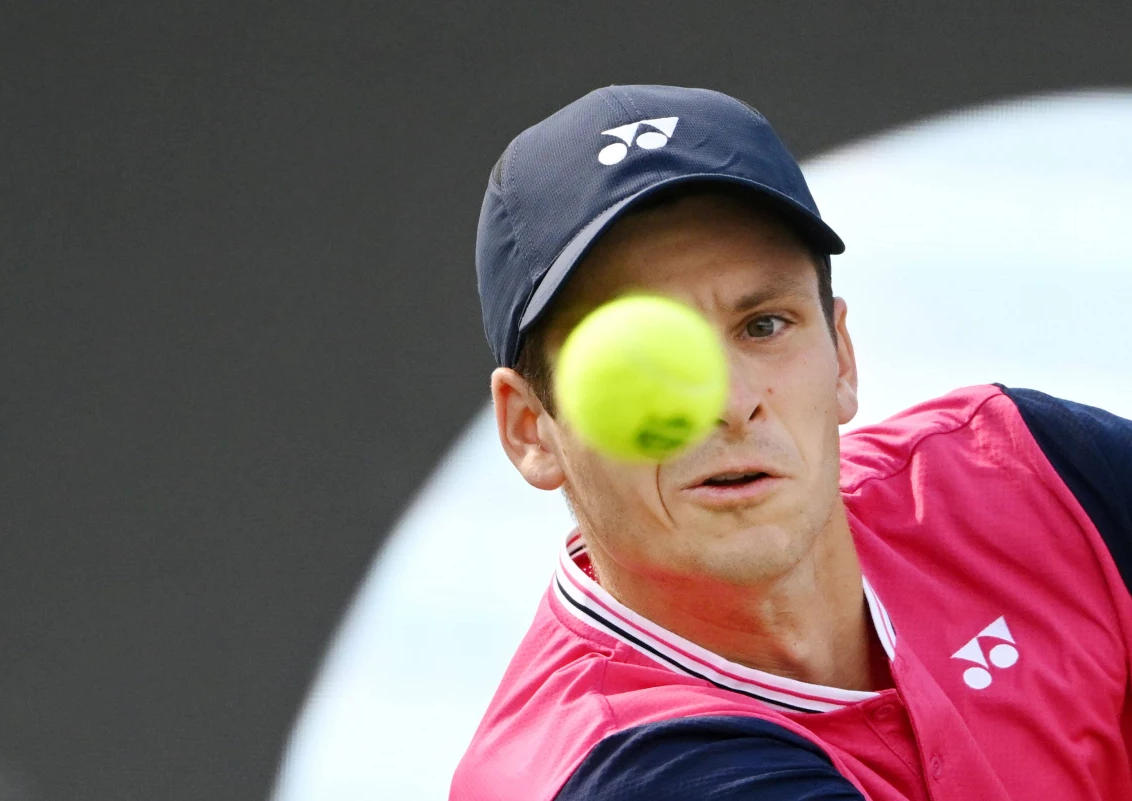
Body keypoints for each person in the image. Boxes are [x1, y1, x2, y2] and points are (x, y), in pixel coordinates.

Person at [450, 85, 1132, 800]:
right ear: (531, 430)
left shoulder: (1025, 473)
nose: (732, 404)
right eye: (644, 363)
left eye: (765, 325)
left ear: (842, 355)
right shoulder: (612, 770)